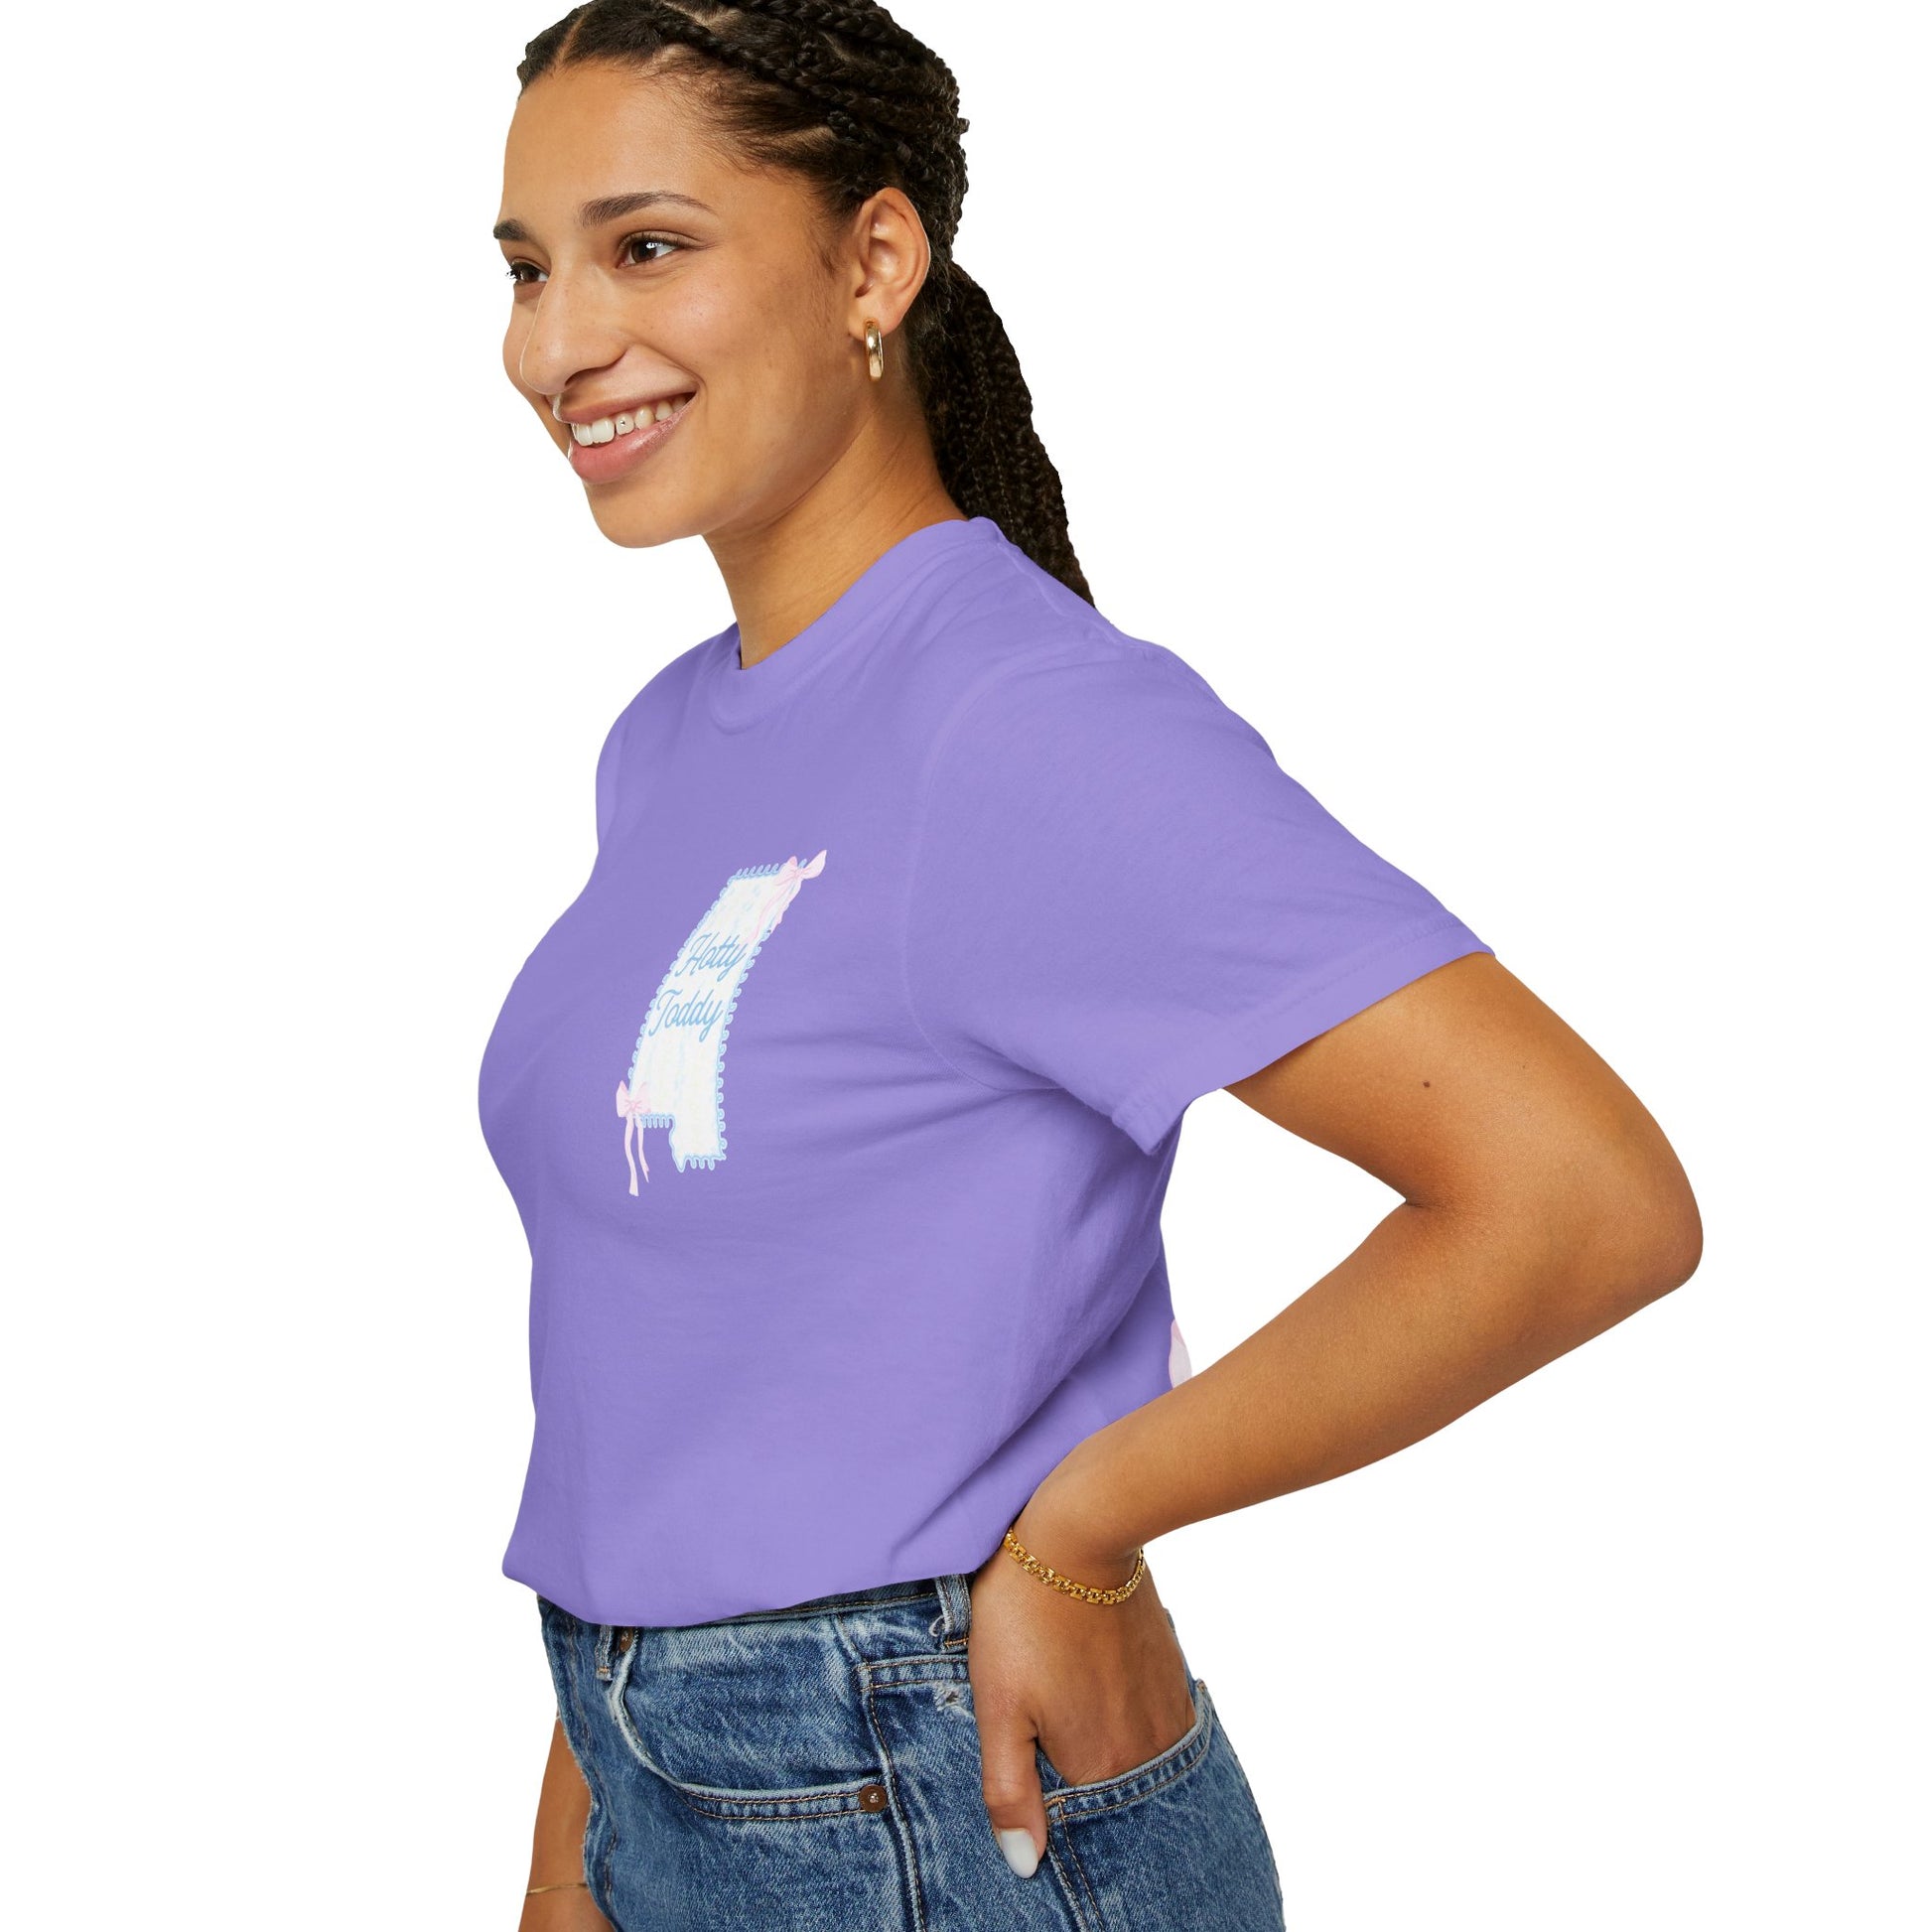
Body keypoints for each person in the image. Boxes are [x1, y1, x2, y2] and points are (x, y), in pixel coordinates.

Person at [478, 6, 1703, 1928]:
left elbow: (1580, 1197)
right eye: (526, 269)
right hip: (659, 1780)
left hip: (939, 1804)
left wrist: (1086, 1523)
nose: (557, 344)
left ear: (875, 262)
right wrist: (579, 1849)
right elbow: (673, 1365)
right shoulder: (668, 744)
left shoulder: (1020, 721)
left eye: (646, 247)